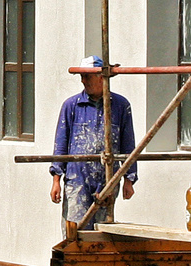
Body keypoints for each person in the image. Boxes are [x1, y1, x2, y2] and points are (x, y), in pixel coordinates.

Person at [50, 56, 137, 233]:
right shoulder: (72, 106)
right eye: (81, 76)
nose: (83, 81)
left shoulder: (120, 106)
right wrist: (56, 179)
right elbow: (61, 144)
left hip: (107, 180)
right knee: (75, 232)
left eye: (87, 76)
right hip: (77, 180)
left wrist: (130, 178)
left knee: (102, 233)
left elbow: (128, 145)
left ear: (101, 77)